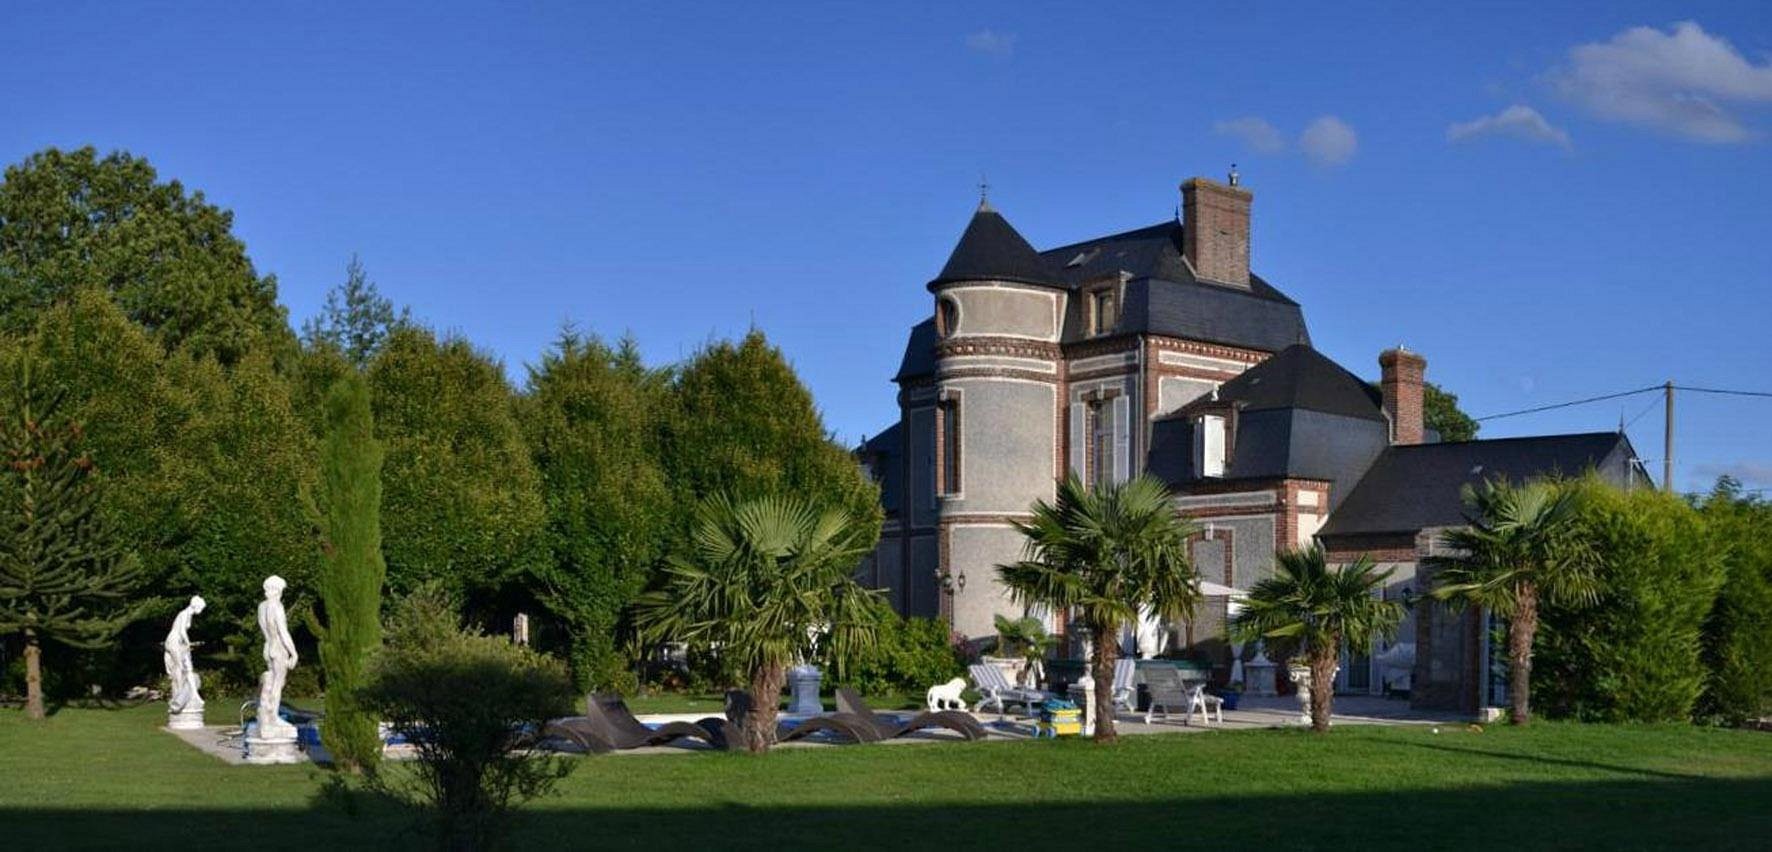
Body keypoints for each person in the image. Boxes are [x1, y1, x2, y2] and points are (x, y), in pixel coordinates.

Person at [255, 575, 298, 737]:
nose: (281, 593)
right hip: (279, 647)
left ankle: (266, 713)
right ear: (276, 589)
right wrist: (293, 652)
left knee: (272, 681)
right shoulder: (276, 606)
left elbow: (265, 630)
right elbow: (283, 632)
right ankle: (273, 716)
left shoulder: (262, 606)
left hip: (268, 647)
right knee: (278, 683)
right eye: (281, 590)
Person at [164, 595, 206, 715]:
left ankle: (195, 695)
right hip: (174, 641)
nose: (201, 610)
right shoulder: (184, 614)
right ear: (195, 605)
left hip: (180, 643)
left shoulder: (189, 615)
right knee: (179, 667)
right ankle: (177, 694)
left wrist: (186, 644)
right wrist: (188, 643)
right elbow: (181, 631)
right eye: (201, 608)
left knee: (188, 669)